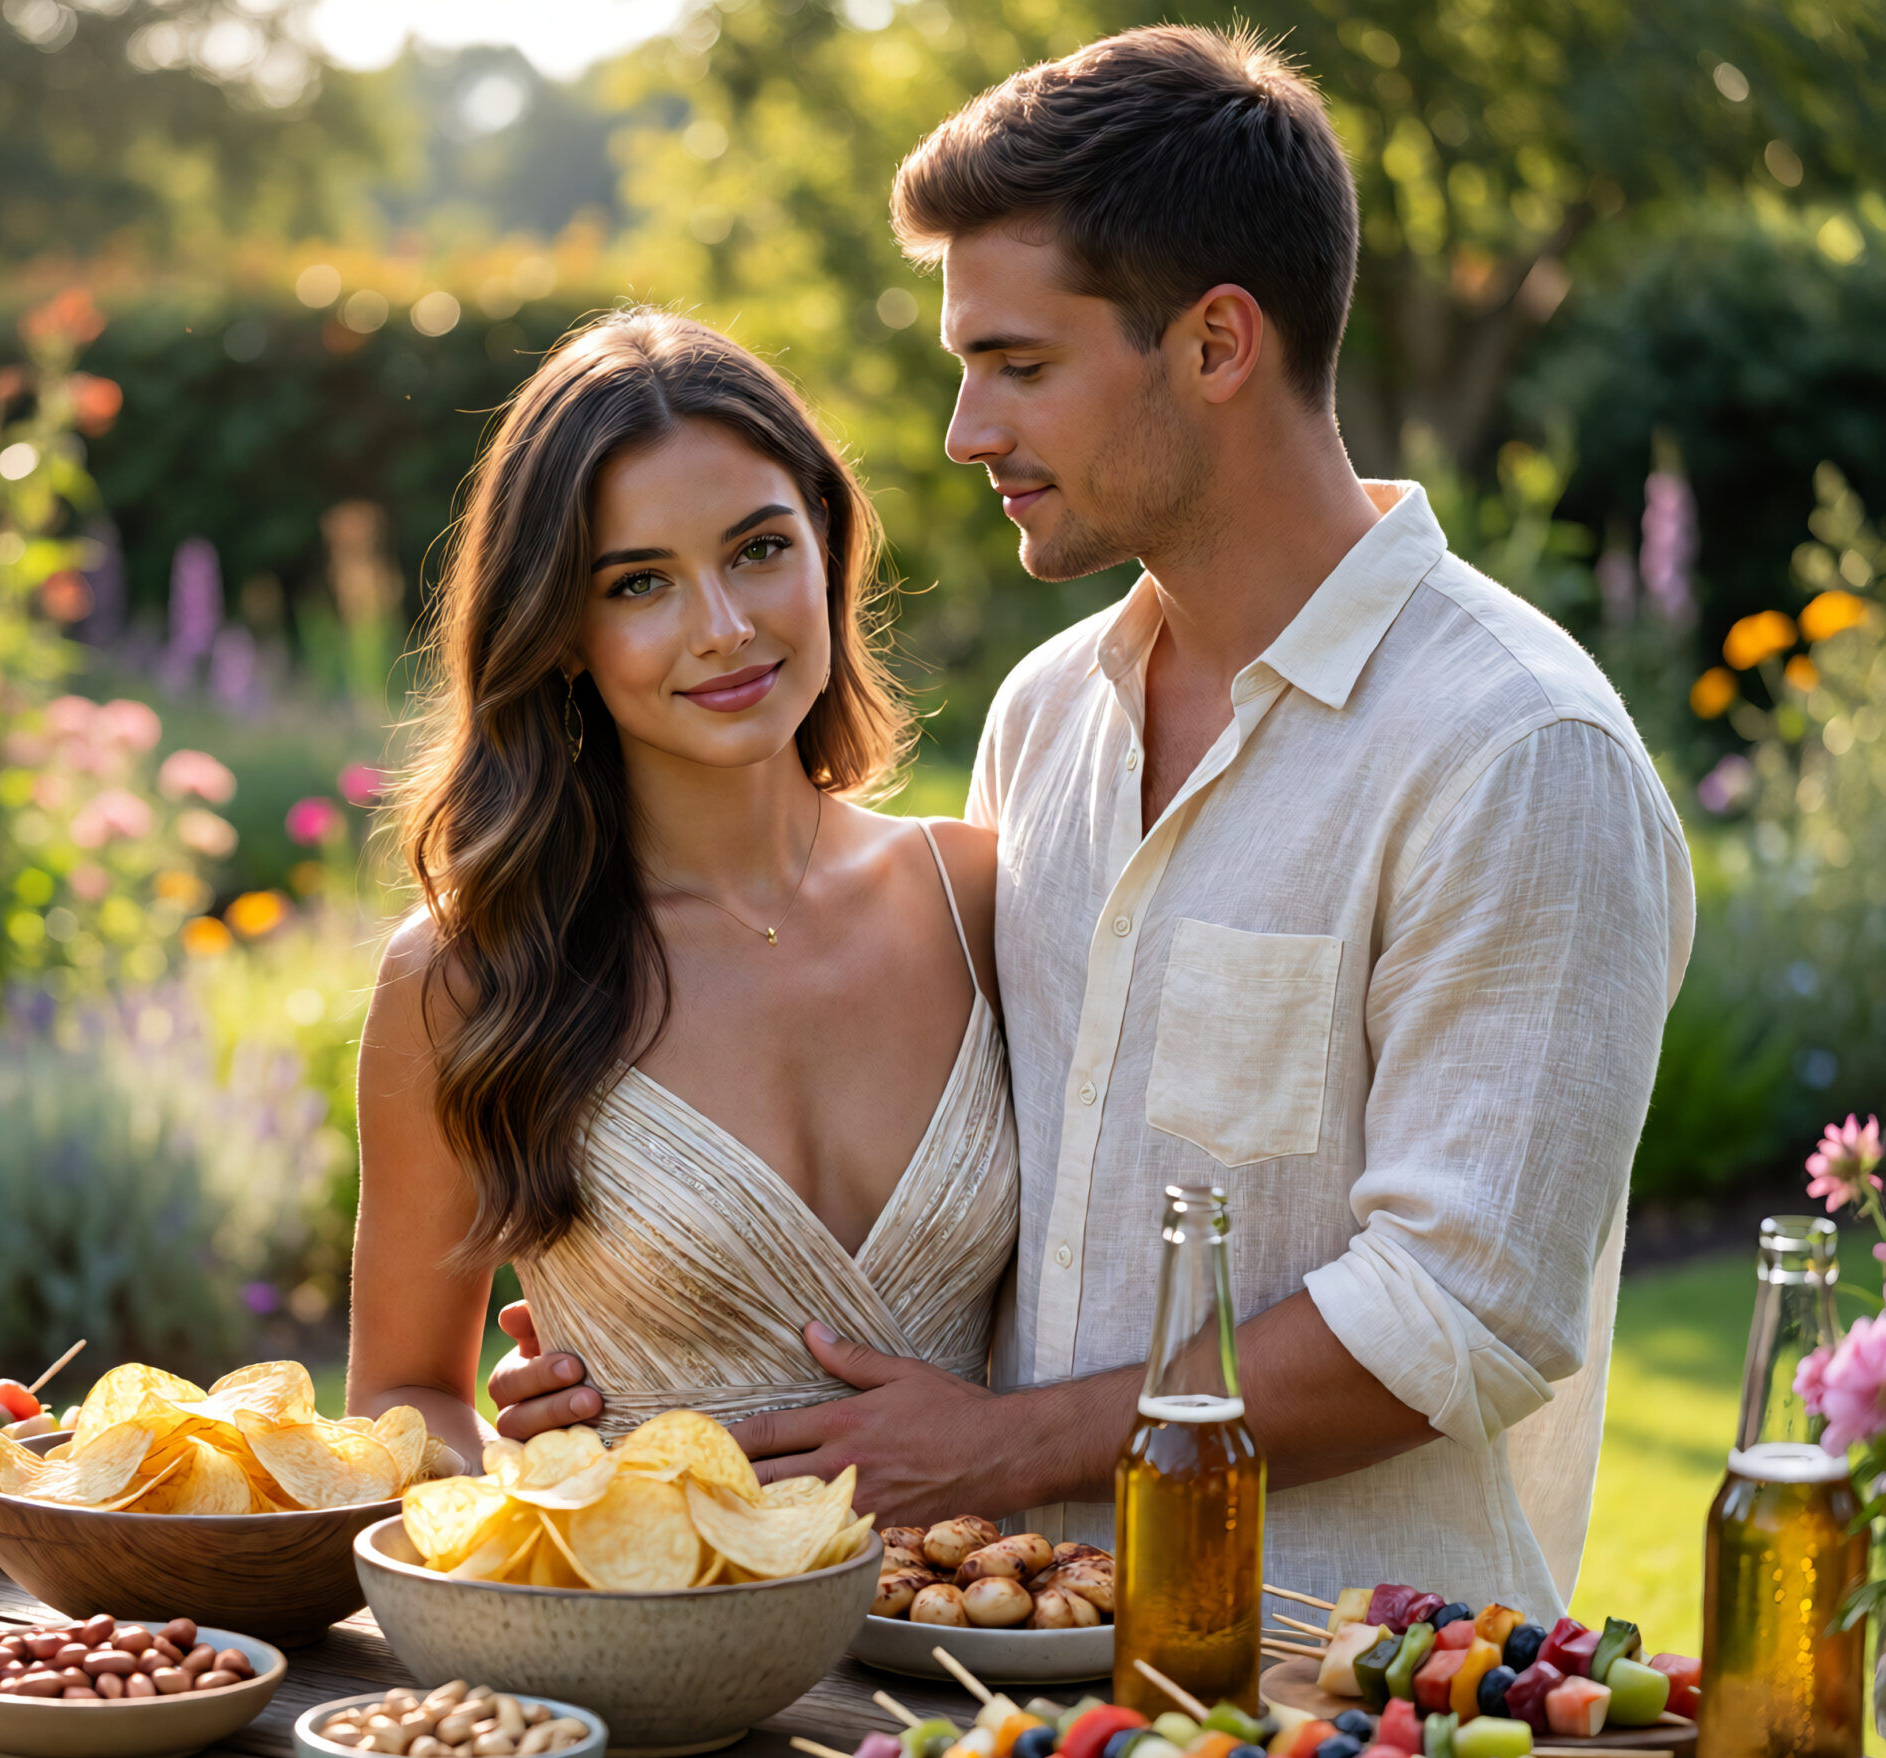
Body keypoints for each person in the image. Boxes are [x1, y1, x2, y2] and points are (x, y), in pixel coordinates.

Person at [489, 26, 1693, 1618]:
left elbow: (1458, 1310)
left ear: (1214, 343)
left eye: (1019, 364)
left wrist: (998, 1448)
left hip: (1340, 1713)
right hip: (995, 1684)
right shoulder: (1050, 716)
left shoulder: (1511, 751)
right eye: (962, 366)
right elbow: (983, 1218)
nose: (964, 432)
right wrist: (648, 1387)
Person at [346, 310, 1018, 1470]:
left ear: (825, 537)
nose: (722, 629)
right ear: (560, 630)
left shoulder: (982, 903)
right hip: (638, 1640)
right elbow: (402, 1397)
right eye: (639, 583)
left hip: (987, 1636)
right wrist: (528, 1477)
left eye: (759, 549)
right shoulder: (468, 973)